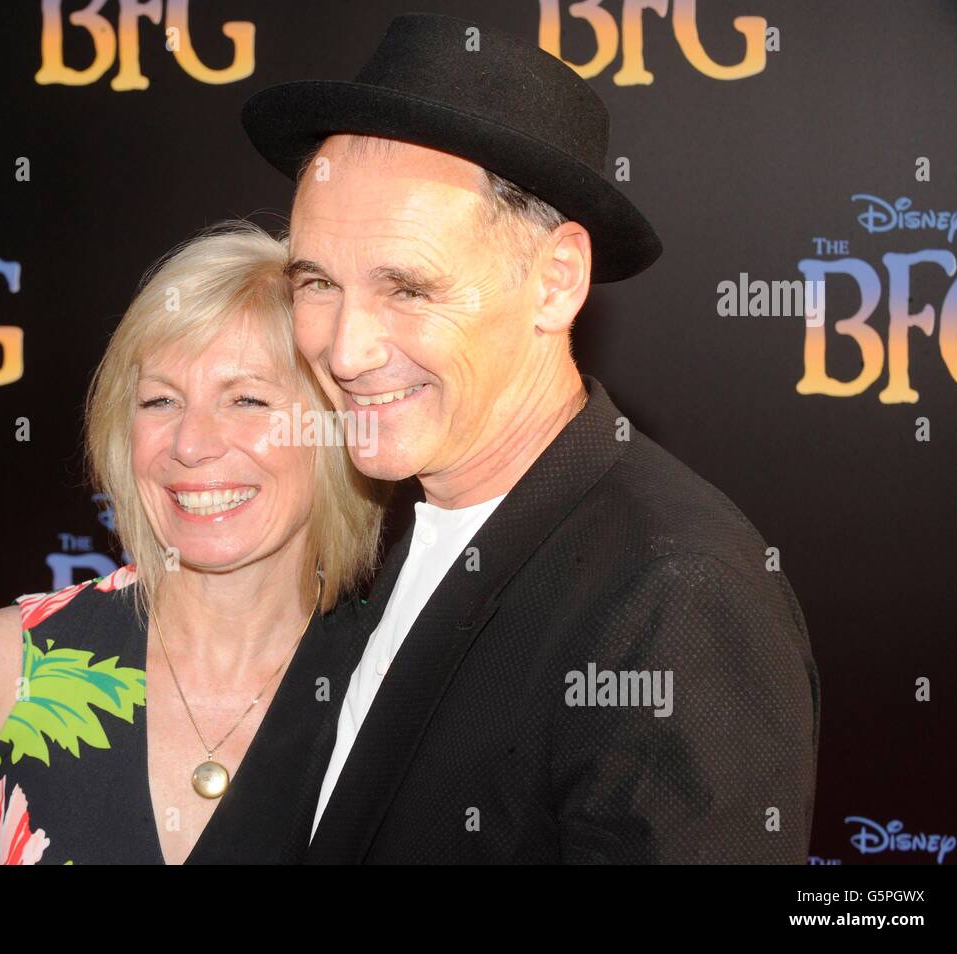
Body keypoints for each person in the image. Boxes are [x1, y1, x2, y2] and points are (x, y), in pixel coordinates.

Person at [241, 12, 821, 862]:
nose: (345, 348)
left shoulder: (677, 596)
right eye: (318, 281)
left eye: (407, 288)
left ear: (556, 283)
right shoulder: (389, 525)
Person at [0, 220, 386, 864]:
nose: (190, 443)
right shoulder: (5, 669)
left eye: (245, 399)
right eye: (160, 401)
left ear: (331, 430)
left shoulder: (392, 682)